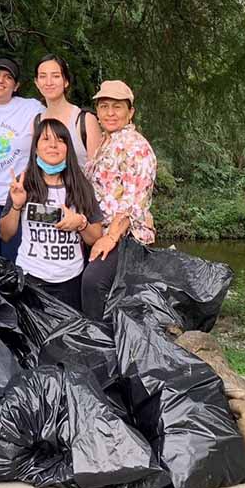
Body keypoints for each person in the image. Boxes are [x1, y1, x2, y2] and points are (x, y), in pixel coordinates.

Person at [0, 119, 104, 311]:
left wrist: (80, 223)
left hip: (71, 282)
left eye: (60, 140)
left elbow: (95, 237)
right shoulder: (24, 184)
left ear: (67, 148)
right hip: (31, 279)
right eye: (46, 139)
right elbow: (5, 234)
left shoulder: (81, 186)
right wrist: (16, 205)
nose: (53, 145)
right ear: (36, 148)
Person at [81, 80, 157, 320]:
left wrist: (110, 238)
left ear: (130, 112)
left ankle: (100, 344)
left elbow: (134, 203)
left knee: (93, 283)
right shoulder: (106, 142)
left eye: (117, 107)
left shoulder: (137, 147)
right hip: (97, 231)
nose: (110, 113)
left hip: (125, 236)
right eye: (104, 106)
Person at [0, 57, 44, 260]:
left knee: (14, 267)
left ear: (16, 85)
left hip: (16, 200)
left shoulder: (31, 108)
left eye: (8, 76)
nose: (0, 80)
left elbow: (57, 120)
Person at [33, 54, 102, 169]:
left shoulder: (85, 120)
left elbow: (98, 172)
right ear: (36, 83)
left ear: (66, 82)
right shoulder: (37, 122)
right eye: (42, 76)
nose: (48, 82)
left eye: (55, 76)